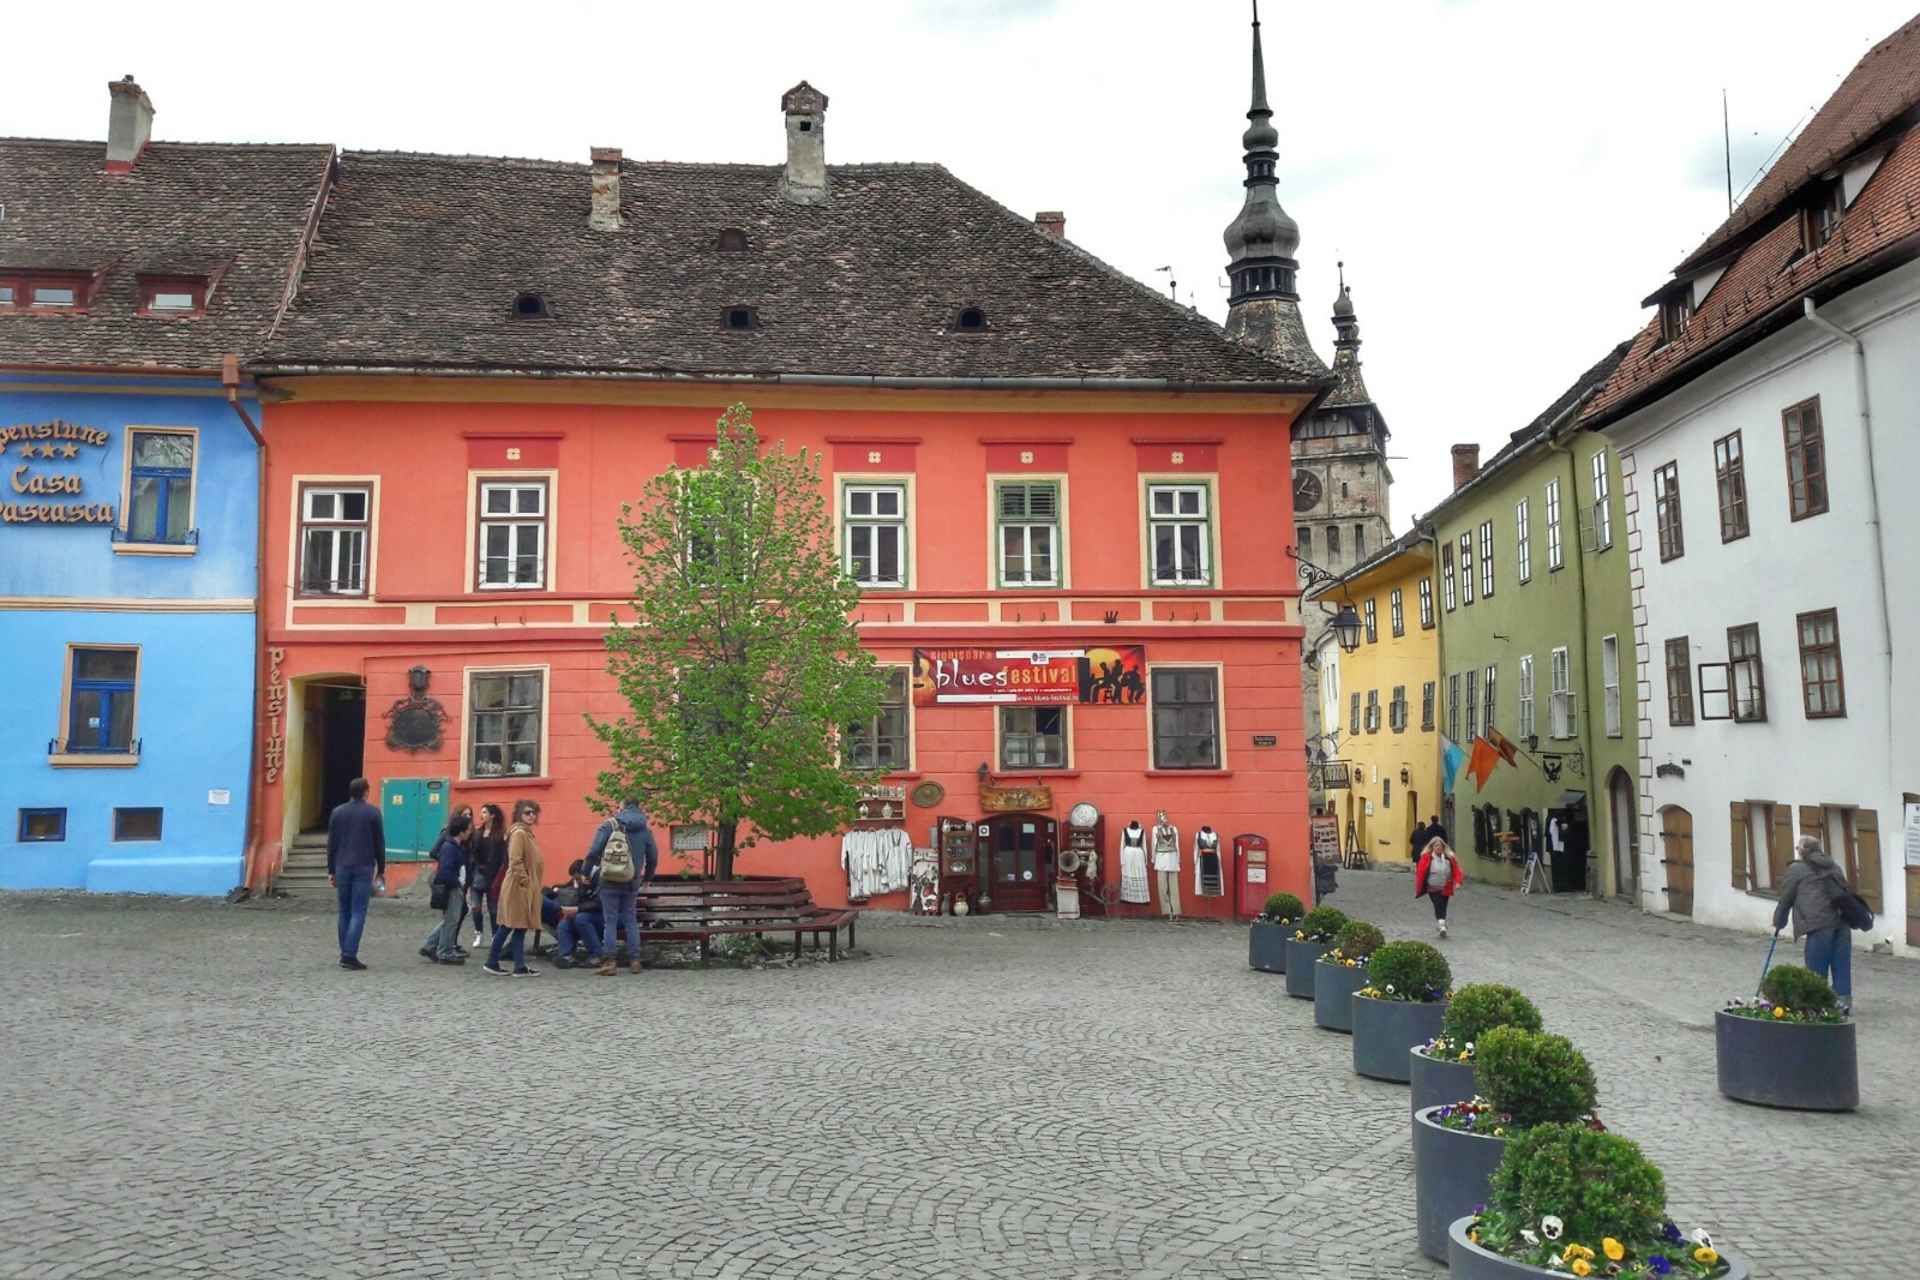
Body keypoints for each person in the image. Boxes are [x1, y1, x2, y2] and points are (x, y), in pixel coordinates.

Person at [1773, 835, 1854, 1009]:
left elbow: (1786, 898)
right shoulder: (1834, 865)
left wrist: (1779, 921)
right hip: (1842, 922)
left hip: (1819, 924)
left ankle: (1817, 1004)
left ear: (1802, 851)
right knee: (1841, 964)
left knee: (1816, 967)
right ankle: (1844, 1004)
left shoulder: (1797, 870)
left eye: (1797, 848)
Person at [588, 798, 658, 976]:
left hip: (609, 880)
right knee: (630, 919)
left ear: (622, 807)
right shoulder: (645, 830)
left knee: (610, 921)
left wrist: (586, 872)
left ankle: (610, 962)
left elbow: (593, 851)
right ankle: (635, 961)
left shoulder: (609, 825)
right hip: (632, 880)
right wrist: (647, 877)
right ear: (639, 807)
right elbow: (653, 857)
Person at [326, 777, 386, 970]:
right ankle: (349, 954)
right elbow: (379, 844)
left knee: (344, 910)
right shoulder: (373, 813)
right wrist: (382, 869)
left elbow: (331, 844)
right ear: (366, 792)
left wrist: (331, 870)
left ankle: (345, 951)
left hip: (342, 865)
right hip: (364, 865)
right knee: (358, 911)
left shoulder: (337, 812)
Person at [484, 800, 544, 977]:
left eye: (534, 812)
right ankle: (492, 961)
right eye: (527, 812)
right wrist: (525, 882)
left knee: (519, 926)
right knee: (509, 925)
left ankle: (519, 966)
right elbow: (515, 860)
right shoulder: (519, 833)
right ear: (518, 814)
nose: (531, 816)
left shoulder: (526, 833)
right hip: (518, 886)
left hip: (523, 886)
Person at [421, 811, 472, 964]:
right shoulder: (450, 847)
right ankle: (445, 952)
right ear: (461, 831)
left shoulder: (454, 846)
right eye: (468, 829)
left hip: (454, 886)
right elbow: (445, 871)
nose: (470, 832)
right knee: (451, 920)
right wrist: (457, 883)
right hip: (452, 888)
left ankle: (430, 945)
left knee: (450, 919)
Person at [547, 859, 605, 970]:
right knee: (565, 923)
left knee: (581, 918)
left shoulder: (601, 878)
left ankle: (597, 955)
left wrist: (577, 909)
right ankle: (566, 956)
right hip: (590, 915)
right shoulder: (583, 881)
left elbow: (600, 904)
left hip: (606, 916)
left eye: (577, 878)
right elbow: (581, 899)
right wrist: (582, 887)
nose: (576, 881)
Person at [468, 803, 507, 949]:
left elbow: (503, 857)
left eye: (485, 812)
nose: (481, 815)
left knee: (493, 909)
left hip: (493, 876)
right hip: (477, 875)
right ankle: (478, 933)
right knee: (476, 907)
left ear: (492, 815)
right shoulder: (477, 833)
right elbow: (472, 854)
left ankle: (494, 935)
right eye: (481, 812)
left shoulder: (500, 834)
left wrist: (499, 875)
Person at [1413, 836, 1464, 937]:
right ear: (1432, 847)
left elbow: (1457, 870)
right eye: (1436, 846)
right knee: (1438, 904)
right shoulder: (1427, 857)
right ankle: (1442, 925)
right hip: (1433, 886)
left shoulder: (1449, 858)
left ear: (1443, 847)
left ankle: (1441, 924)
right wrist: (1420, 885)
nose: (1438, 848)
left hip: (1446, 886)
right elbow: (1420, 872)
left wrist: (1458, 882)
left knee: (1443, 905)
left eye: (1440, 846)